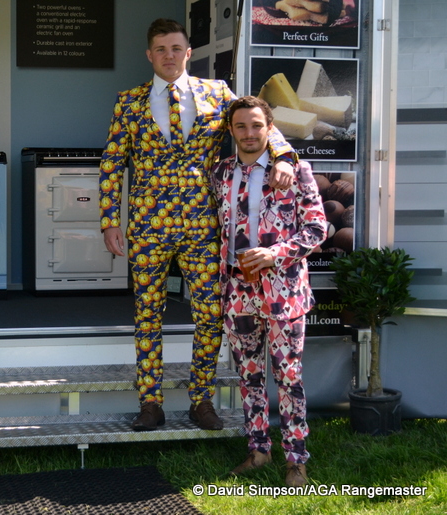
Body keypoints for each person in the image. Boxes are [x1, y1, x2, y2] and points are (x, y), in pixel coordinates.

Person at [99, 18, 297, 432]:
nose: (168, 56)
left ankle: (201, 399)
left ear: (188, 53)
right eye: (160, 49)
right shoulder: (129, 102)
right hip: (148, 225)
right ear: (149, 55)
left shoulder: (217, 93)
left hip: (204, 224)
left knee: (209, 312)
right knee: (147, 315)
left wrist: (282, 156)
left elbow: (257, 120)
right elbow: (112, 164)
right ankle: (150, 403)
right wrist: (109, 221)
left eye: (176, 48)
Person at [209, 96, 326, 486]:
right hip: (237, 290)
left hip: (282, 291)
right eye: (241, 126)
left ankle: (297, 460)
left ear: (270, 128)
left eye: (257, 125)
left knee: (289, 378)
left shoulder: (296, 170)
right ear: (231, 130)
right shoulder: (220, 173)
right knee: (249, 376)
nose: (249, 133)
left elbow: (317, 229)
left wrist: (275, 253)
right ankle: (258, 450)